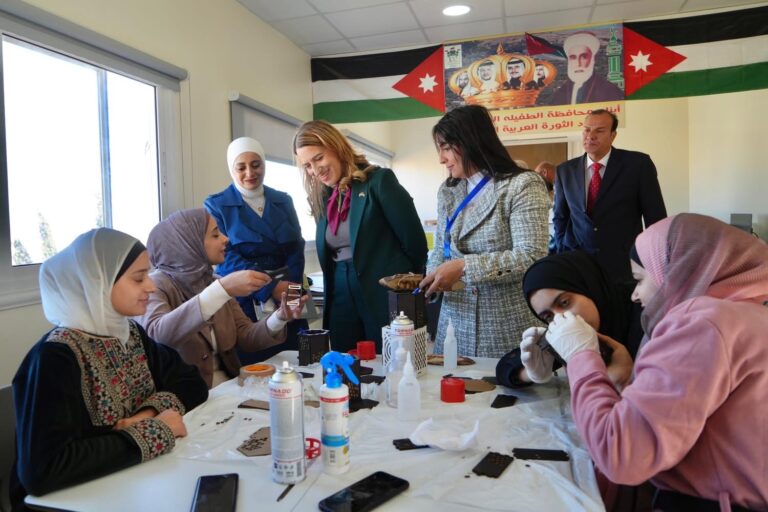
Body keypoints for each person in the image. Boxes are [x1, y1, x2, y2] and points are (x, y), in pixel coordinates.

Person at [546, 213, 768, 511]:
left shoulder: (703, 324)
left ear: (678, 271)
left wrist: (580, 357)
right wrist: (628, 380)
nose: (635, 295)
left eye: (640, 279)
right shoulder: (745, 314)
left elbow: (621, 454)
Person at [12, 229, 208, 504]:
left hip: (132, 484)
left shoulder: (129, 333)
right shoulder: (55, 357)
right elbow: (44, 469)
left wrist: (147, 413)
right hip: (71, 502)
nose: (151, 287)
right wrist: (156, 430)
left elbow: (192, 382)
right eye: (139, 278)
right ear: (98, 283)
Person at [419, 105, 549, 357]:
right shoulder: (448, 190)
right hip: (454, 321)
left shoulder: (522, 185)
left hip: (503, 325)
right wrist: (431, 281)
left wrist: (464, 267)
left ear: (470, 142)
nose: (441, 159)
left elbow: (531, 256)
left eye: (446, 148)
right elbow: (440, 247)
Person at [293, 120, 427, 352]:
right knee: (346, 361)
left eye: (319, 158)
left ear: (336, 146)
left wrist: (408, 290)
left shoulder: (379, 181)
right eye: (307, 165)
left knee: (390, 359)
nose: (315, 170)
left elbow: (415, 243)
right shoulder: (323, 197)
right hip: (340, 294)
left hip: (382, 292)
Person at [139, 209, 307, 388]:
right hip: (187, 398)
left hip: (228, 390)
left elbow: (246, 336)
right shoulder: (156, 285)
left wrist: (279, 318)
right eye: (215, 235)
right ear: (188, 244)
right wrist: (221, 290)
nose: (226, 238)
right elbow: (157, 335)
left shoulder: (213, 282)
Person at [204, 136, 307, 363]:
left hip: (288, 289)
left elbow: (296, 248)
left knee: (299, 362)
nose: (250, 173)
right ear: (231, 169)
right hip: (248, 299)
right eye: (241, 167)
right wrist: (270, 288)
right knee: (258, 366)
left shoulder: (283, 200)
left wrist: (291, 290)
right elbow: (225, 257)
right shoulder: (217, 205)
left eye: (256, 165)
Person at [495, 251, 639, 391]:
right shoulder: (571, 332)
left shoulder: (643, 314)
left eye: (564, 302)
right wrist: (531, 373)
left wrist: (628, 381)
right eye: (548, 316)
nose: (560, 318)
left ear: (589, 286)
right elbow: (504, 368)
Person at [552, 109, 666, 282]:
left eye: (599, 131)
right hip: (579, 262)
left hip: (625, 262)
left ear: (613, 135)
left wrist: (654, 261)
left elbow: (655, 218)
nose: (590, 136)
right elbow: (561, 216)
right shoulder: (565, 170)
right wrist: (562, 249)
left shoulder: (638, 165)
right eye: (586, 129)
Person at [547, 32, 623, 106]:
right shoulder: (559, 94)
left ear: (593, 59)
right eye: (573, 57)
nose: (578, 63)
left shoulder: (609, 91)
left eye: (583, 57)